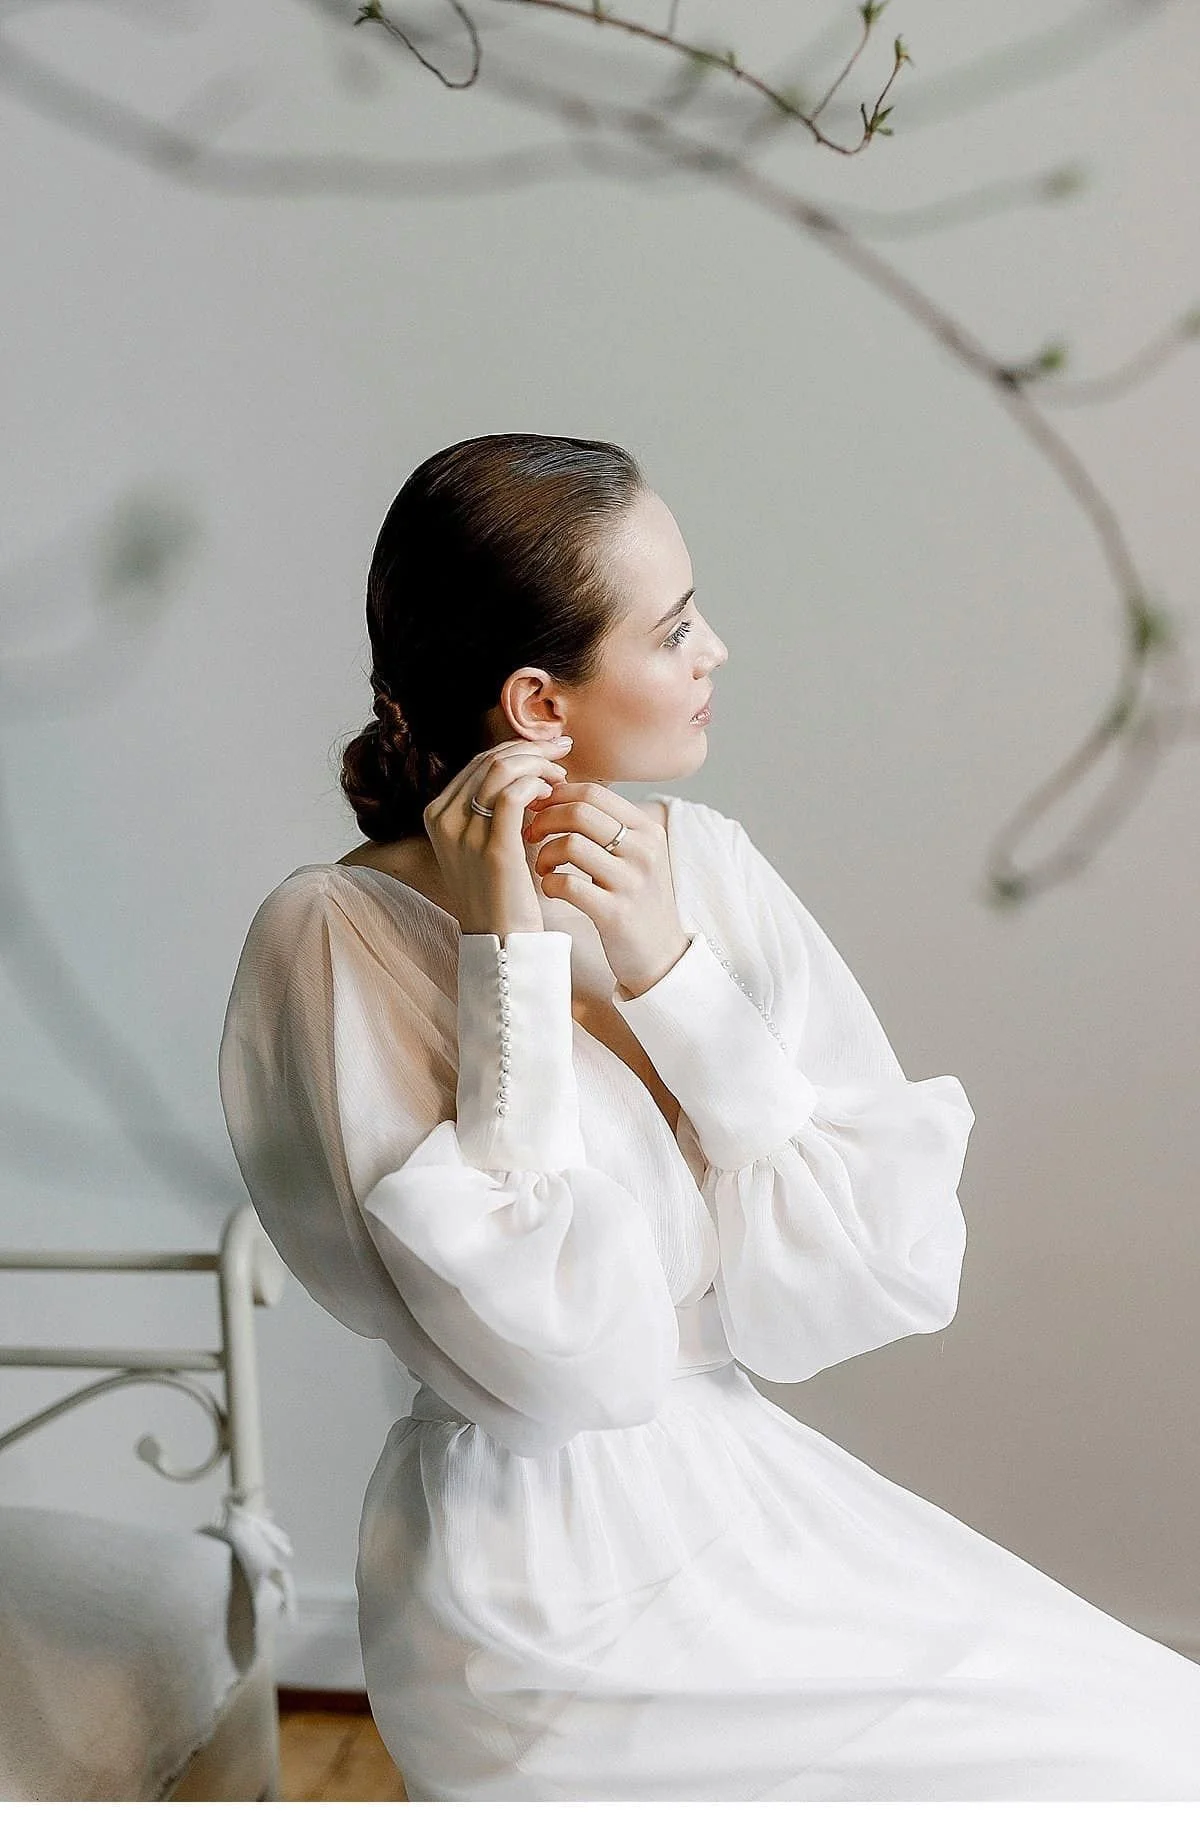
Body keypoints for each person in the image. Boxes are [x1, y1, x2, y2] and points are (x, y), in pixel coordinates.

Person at [218, 432, 1200, 1800]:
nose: (715, 651)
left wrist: (673, 973)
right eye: (675, 628)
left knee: (1159, 1741)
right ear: (539, 703)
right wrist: (508, 957)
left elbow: (879, 1262)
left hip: (742, 1502)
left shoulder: (708, 867)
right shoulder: (328, 938)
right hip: (532, 1590)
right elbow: (553, 1363)